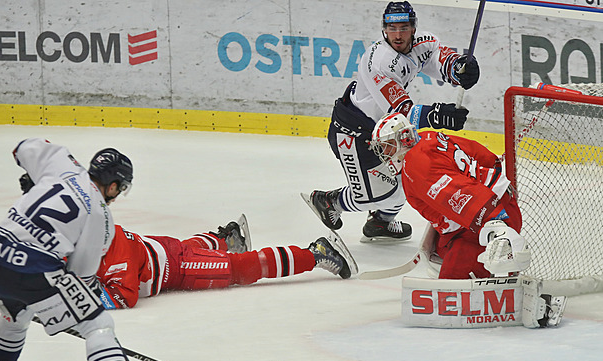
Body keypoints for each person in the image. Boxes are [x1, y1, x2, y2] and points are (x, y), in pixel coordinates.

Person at [0, 139, 157, 361]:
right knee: (97, 325)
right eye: (120, 188)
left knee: (15, 313)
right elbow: (81, 275)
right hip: (32, 271)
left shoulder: (61, 164)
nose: (118, 195)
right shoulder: (101, 216)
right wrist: (85, 303)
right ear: (112, 184)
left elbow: (24, 147)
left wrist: (36, 178)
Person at [370, 112, 568, 328]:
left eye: (387, 146)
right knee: (442, 252)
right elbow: (483, 155)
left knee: (448, 297)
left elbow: (462, 196)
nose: (384, 154)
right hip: (491, 207)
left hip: (488, 217)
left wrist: (497, 227)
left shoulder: (415, 166)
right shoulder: (428, 138)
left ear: (404, 140)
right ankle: (489, 267)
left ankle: (534, 301)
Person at [305, 1, 480, 243]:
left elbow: (442, 61)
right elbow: (402, 111)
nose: (398, 35)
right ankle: (329, 201)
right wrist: (437, 115)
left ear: (413, 27)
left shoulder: (424, 43)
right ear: (384, 29)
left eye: (404, 27)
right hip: (355, 133)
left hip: (387, 130)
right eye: (392, 27)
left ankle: (380, 223)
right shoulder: (379, 62)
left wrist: (459, 67)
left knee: (410, 178)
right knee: (379, 195)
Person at [95, 216, 355, 309]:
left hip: (175, 268)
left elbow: (123, 297)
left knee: (240, 269)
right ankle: (225, 238)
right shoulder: (99, 236)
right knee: (187, 249)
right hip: (162, 251)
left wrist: (78, 299)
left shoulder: (116, 258)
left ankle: (316, 253)